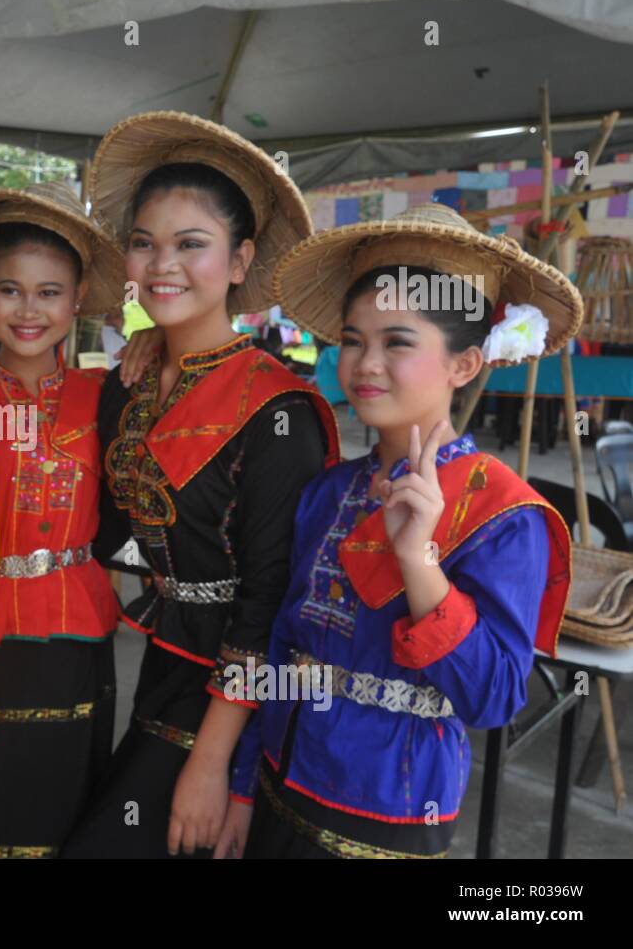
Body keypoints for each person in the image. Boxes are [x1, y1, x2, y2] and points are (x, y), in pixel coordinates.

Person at [232, 204, 576, 858]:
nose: (364, 362)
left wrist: (419, 562)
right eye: (354, 339)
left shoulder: (504, 513)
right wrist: (243, 783)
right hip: (281, 783)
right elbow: (281, 645)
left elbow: (494, 697)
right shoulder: (328, 490)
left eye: (397, 341)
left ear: (464, 364)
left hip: (389, 813)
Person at [61, 111, 340, 859]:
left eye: (192, 245)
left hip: (239, 709)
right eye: (145, 243)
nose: (163, 265)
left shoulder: (279, 411)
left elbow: (270, 596)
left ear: (241, 259)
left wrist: (215, 763)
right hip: (159, 674)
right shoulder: (129, 384)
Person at [0, 182, 125, 857]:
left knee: (65, 794)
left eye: (49, 292)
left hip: (78, 632)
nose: (28, 308)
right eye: (10, 289)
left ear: (77, 300)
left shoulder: (107, 398)